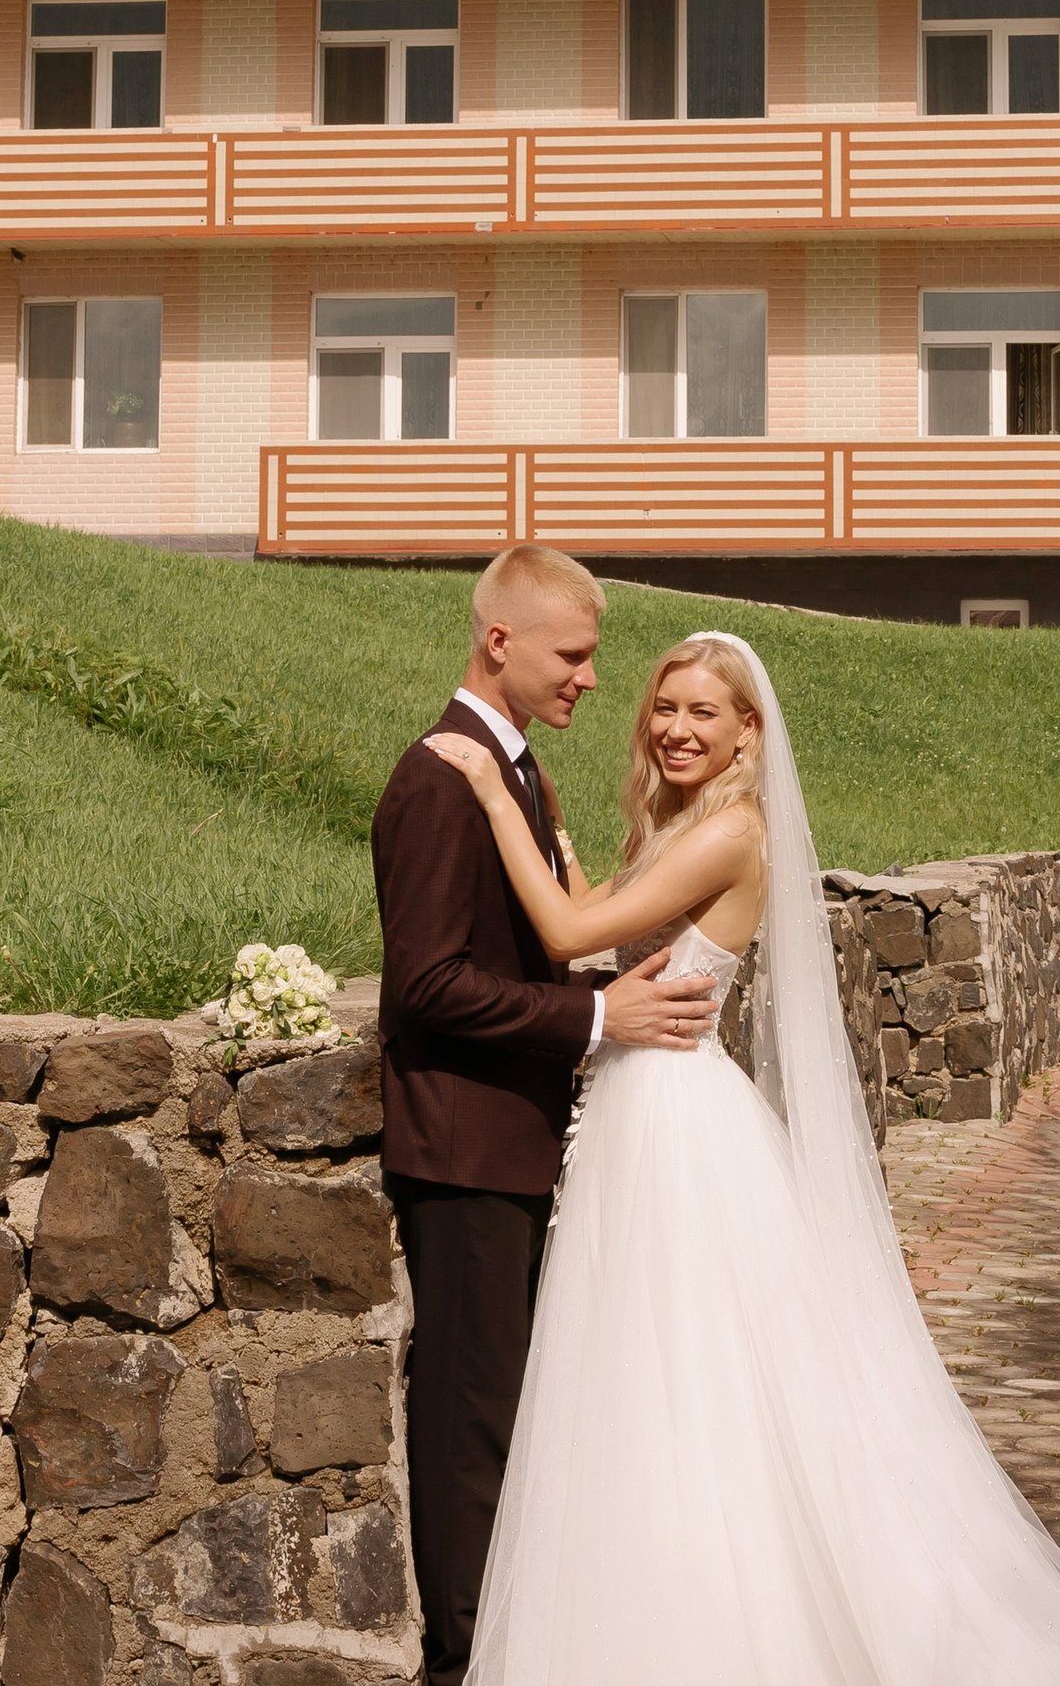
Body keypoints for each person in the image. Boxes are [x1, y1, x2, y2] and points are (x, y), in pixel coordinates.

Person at [423, 629, 1060, 1686]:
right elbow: (598, 941)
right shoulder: (689, 825)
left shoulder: (730, 834)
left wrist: (498, 794)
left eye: (702, 713)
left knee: (685, 1380)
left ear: (748, 732)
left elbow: (570, 929)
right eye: (664, 707)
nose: (676, 727)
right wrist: (577, 858)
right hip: (649, 1107)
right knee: (648, 1377)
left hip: (672, 1120)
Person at [370, 545, 718, 1686]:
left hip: (509, 1143)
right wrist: (593, 1019)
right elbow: (424, 985)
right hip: (464, 1147)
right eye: (572, 656)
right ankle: (463, 1660)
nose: (587, 680)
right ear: (499, 641)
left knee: (504, 1420)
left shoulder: (512, 770)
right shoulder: (439, 775)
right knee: (471, 1427)